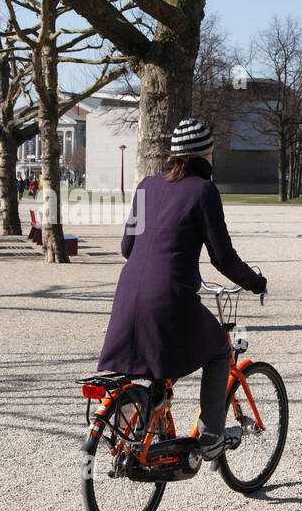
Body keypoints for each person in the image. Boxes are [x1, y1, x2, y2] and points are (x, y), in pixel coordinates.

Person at [97, 119, 267, 460]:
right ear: (205, 155)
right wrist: (255, 282)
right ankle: (211, 438)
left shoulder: (145, 186)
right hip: (169, 299)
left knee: (159, 357)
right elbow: (223, 258)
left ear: (174, 155)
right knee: (219, 348)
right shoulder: (203, 191)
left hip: (128, 294)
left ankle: (150, 407)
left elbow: (127, 247)